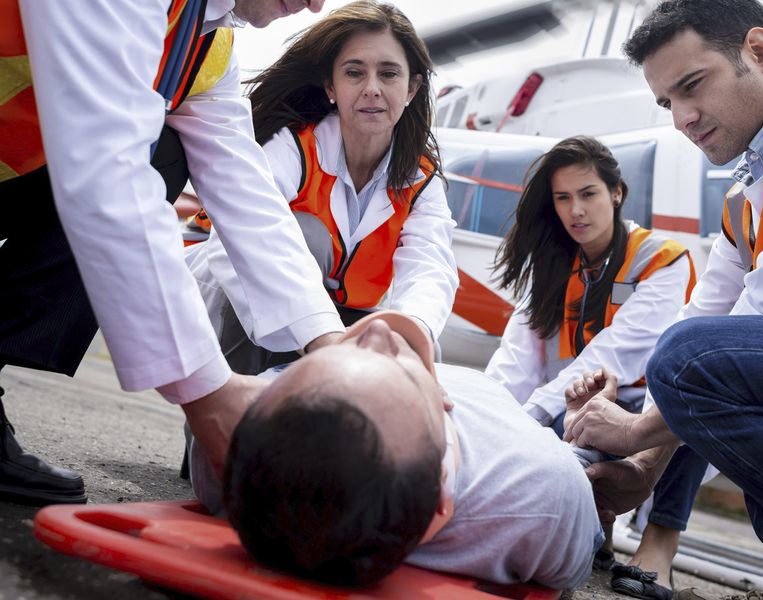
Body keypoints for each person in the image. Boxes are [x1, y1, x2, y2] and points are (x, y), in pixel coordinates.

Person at [0, 0, 348, 506]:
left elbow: (245, 193)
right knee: (141, 159)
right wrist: (212, 398)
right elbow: (106, 169)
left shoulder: (205, 43)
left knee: (165, 150)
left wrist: (328, 340)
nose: (316, 4)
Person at [562, 1, 763, 599]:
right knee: (684, 355)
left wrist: (637, 435)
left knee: (686, 360)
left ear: (760, 51)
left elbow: (761, 317)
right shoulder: (748, 197)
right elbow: (708, 330)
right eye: (668, 102)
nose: (682, 119)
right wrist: (640, 453)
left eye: (692, 86)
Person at [191, 310, 603, 590]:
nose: (376, 332)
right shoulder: (541, 496)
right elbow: (572, 565)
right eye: (401, 373)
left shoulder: (223, 457)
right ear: (441, 499)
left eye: (295, 370)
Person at [484, 135, 705, 599]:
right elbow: (517, 362)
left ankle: (658, 548)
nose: (575, 210)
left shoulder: (660, 261)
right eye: (562, 198)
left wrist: (526, 424)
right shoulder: (552, 266)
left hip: (647, 408)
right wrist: (487, 427)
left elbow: (615, 353)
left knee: (687, 419)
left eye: (588, 194)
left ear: (616, 192)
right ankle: (597, 535)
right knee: (571, 421)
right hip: (580, 402)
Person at [186, 0, 458, 373]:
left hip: (344, 317)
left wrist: (409, 337)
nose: (372, 88)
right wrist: (324, 338)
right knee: (303, 235)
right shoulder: (292, 147)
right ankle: (232, 420)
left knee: (408, 347)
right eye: (354, 73)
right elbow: (242, 246)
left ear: (412, 89)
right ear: (331, 86)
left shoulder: (422, 178)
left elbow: (430, 268)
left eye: (389, 74)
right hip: (242, 310)